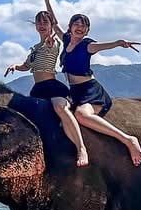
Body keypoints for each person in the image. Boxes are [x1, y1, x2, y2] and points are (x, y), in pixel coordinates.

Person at [42, 0, 141, 167]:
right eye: (77, 24)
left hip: (90, 90)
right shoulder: (66, 39)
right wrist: (47, 2)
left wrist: (120, 43)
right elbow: (53, 22)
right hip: (74, 91)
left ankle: (128, 139)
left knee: (81, 116)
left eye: (84, 26)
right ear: (71, 27)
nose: (80, 27)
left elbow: (104, 46)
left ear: (87, 30)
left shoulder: (88, 45)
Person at [5, 10, 92, 165]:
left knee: (60, 107)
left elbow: (52, 45)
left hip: (52, 86)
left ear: (52, 25)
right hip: (37, 89)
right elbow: (26, 66)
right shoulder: (35, 48)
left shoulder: (53, 43)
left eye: (45, 22)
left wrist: (50, 42)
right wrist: (15, 66)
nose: (42, 25)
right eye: (39, 22)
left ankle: (81, 148)